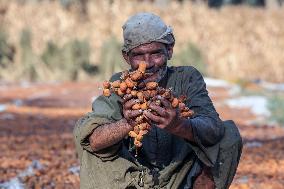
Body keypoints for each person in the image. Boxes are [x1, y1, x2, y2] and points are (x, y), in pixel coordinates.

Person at [73, 12, 242, 189]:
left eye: (156, 53)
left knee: (228, 134)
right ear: (126, 56)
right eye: (138, 55)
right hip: (133, 180)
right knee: (85, 134)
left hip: (180, 177)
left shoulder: (187, 78)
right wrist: (127, 123)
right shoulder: (120, 85)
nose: (148, 63)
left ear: (170, 50)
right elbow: (94, 140)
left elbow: (213, 127)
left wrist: (180, 126)